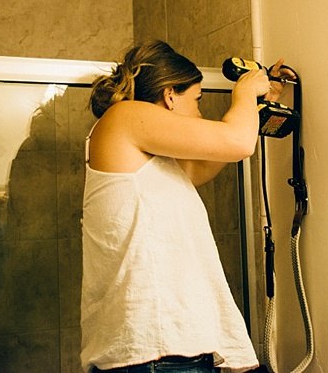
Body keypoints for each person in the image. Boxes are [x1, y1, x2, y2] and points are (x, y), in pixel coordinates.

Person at [80, 40, 292, 373]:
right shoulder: (124, 116)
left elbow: (203, 165)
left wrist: (255, 106)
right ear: (170, 96)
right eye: (197, 100)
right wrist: (244, 92)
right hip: (154, 353)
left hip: (165, 351)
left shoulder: (149, 155)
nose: (200, 113)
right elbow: (237, 142)